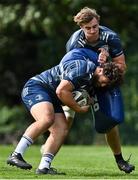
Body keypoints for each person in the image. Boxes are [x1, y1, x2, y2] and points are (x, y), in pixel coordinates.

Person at [41, 7, 135, 174]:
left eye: (95, 26)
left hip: (103, 80)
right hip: (82, 82)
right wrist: (79, 93)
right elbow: (69, 68)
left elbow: (122, 66)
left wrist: (106, 64)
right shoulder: (74, 42)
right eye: (88, 28)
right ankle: (46, 156)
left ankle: (120, 160)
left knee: (110, 122)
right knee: (66, 119)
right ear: (81, 28)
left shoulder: (110, 37)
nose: (92, 30)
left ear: (98, 23)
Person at [6, 47, 122, 175]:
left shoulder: (93, 79)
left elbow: (72, 92)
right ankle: (16, 154)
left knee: (62, 129)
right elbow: (61, 91)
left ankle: (44, 167)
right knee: (47, 118)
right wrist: (79, 108)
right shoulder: (82, 69)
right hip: (38, 87)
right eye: (104, 82)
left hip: (52, 97)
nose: (103, 86)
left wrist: (86, 99)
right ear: (100, 71)